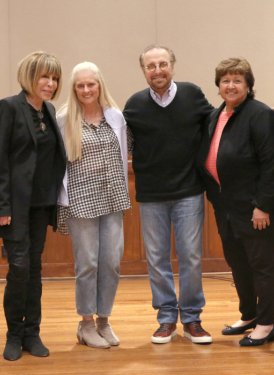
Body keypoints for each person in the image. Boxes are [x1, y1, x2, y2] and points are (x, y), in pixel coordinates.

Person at [123, 45, 213, 345]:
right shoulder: (134, 105)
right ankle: (165, 319)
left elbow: (217, 127)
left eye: (162, 64)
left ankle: (191, 319)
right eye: (151, 66)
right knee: (157, 259)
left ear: (172, 66)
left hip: (188, 191)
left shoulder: (193, 95)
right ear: (143, 71)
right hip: (151, 196)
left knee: (190, 257)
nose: (157, 70)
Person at [198, 57, 274, 346]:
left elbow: (270, 163)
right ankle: (249, 314)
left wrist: (263, 205)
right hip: (226, 208)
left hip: (255, 209)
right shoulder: (217, 115)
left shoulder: (260, 114)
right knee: (238, 263)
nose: (230, 85)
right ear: (218, 86)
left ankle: (267, 324)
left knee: (263, 266)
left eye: (237, 80)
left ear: (248, 85)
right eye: (225, 80)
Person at [57, 62, 130, 349]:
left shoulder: (115, 117)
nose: (86, 90)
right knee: (87, 263)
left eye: (91, 84)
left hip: (112, 198)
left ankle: (103, 320)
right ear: (74, 90)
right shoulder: (64, 120)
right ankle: (86, 323)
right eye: (80, 85)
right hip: (81, 202)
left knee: (111, 263)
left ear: (100, 85)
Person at [0, 51, 66, 361]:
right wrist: (2, 205)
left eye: (54, 78)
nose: (50, 83)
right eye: (44, 76)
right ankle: (14, 334)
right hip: (15, 206)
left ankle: (32, 333)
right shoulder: (10, 108)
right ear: (29, 76)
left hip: (41, 205)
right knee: (20, 268)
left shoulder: (50, 110)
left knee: (35, 268)